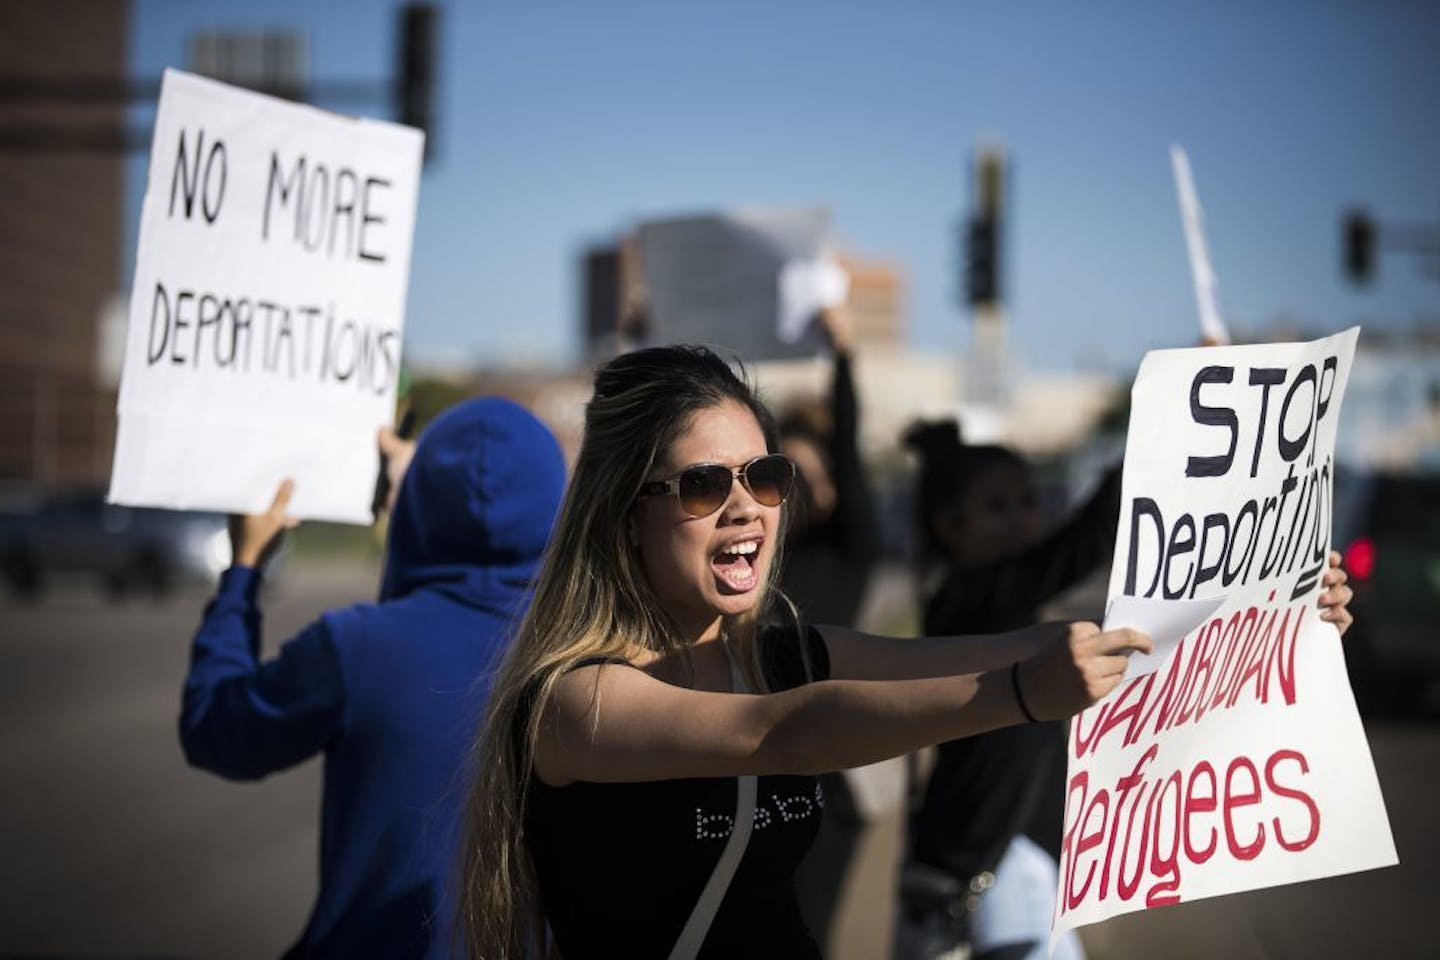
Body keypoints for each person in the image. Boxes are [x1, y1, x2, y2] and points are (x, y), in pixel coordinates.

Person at [457, 345, 1157, 960]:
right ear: (626, 515)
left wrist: (1157, 630)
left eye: (763, 476)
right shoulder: (575, 701)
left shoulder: (779, 654)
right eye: (703, 484)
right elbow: (784, 732)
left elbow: (985, 650)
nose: (746, 507)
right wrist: (1022, 695)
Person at [895, 420, 1355, 960]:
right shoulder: (964, 602)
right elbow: (1089, 544)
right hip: (986, 881)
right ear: (948, 526)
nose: (1022, 519)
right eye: (998, 507)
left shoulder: (1011, 611)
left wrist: (1283, 607)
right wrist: (1174, 421)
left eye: (1028, 501)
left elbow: (1144, 641)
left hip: (1025, 875)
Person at [179, 397, 566, 959]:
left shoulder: (354, 647)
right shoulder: (586, 654)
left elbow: (215, 729)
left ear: (416, 508)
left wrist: (244, 570)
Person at [778, 306, 884, 950]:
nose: (794, 489)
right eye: (778, 475)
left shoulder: (849, 550)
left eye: (808, 474)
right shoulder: (749, 563)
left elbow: (846, 450)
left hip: (823, 797)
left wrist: (843, 355)